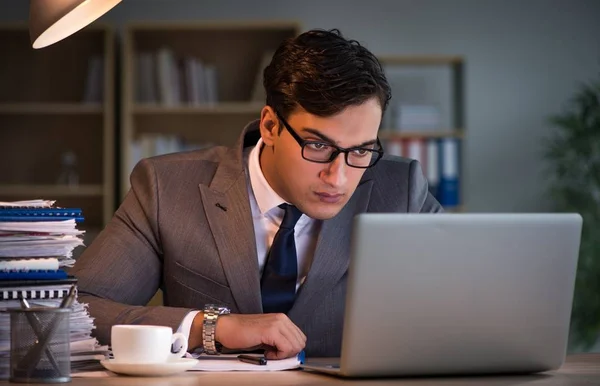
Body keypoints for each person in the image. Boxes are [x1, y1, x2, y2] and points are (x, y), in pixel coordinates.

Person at [70, 28, 443, 360]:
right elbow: (75, 310)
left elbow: (471, 305)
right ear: (269, 125)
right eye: (317, 145)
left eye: (360, 150)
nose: (339, 177)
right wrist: (210, 327)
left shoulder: (400, 190)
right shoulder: (166, 188)